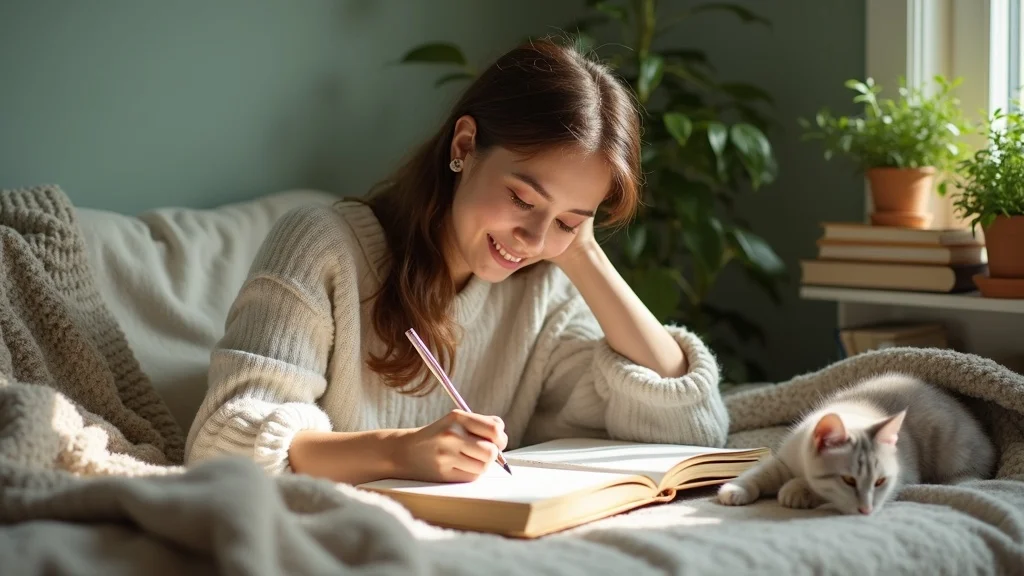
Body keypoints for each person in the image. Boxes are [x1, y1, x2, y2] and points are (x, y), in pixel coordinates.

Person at [185, 38, 729, 485]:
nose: (534, 239)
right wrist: (400, 453)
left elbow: (694, 428)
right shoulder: (322, 246)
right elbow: (218, 444)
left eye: (569, 219)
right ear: (465, 145)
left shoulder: (544, 291)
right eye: (522, 198)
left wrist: (582, 251)